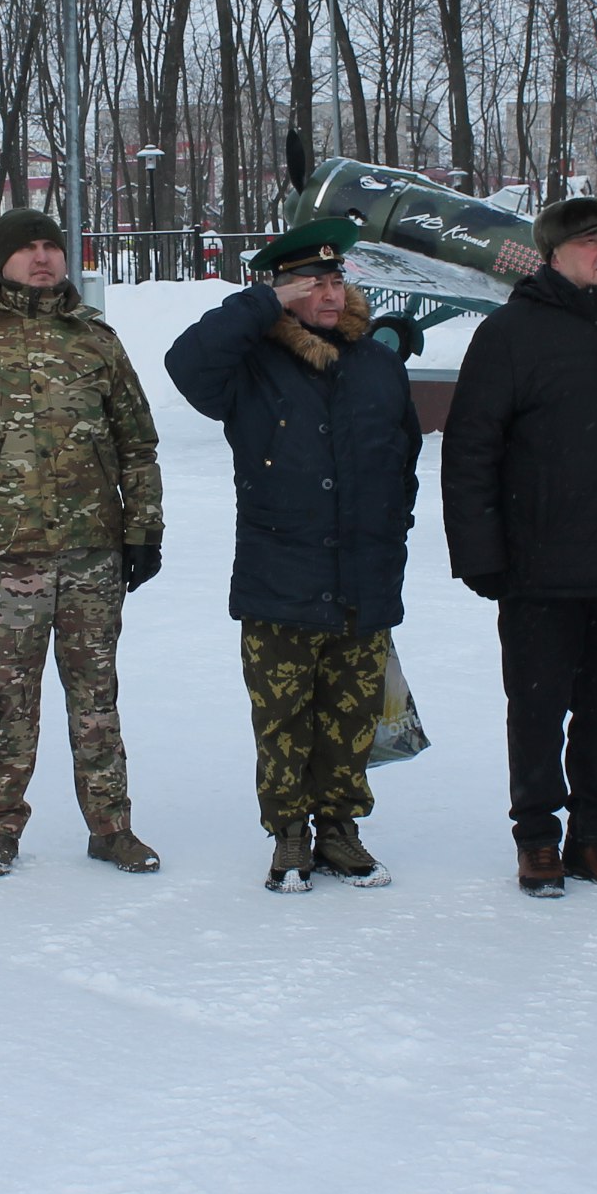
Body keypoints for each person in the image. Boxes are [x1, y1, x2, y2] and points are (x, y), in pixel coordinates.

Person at [0, 205, 166, 877]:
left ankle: (111, 826)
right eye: (29, 249)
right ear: (1, 259)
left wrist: (144, 529)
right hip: (10, 554)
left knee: (96, 698)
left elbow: (137, 440)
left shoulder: (95, 340)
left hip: (92, 552)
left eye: (53, 246)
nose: (43, 258)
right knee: (10, 700)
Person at [165, 217, 421, 892]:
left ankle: (340, 829)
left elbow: (404, 460)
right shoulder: (249, 363)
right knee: (283, 722)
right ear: (282, 290)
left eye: (336, 279)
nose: (329, 292)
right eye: (311, 282)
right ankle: (288, 835)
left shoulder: (379, 364)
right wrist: (261, 304)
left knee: (353, 717)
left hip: (364, 578)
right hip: (280, 575)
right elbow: (184, 364)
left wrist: (395, 533)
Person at [441, 195, 597, 898]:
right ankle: (538, 839)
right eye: (590, 241)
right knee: (539, 707)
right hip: (538, 563)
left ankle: (595, 837)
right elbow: (471, 450)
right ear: (551, 254)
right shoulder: (512, 333)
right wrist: (481, 553)